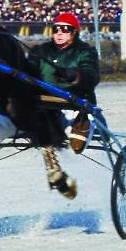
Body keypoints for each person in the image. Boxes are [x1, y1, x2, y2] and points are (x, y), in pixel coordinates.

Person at [29, 12, 100, 153]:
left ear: (74, 33)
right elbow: (29, 68)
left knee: (76, 141)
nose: (59, 33)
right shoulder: (40, 51)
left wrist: (72, 75)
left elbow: (92, 76)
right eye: (56, 29)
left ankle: (84, 127)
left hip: (75, 105)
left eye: (65, 29)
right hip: (43, 104)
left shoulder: (85, 52)